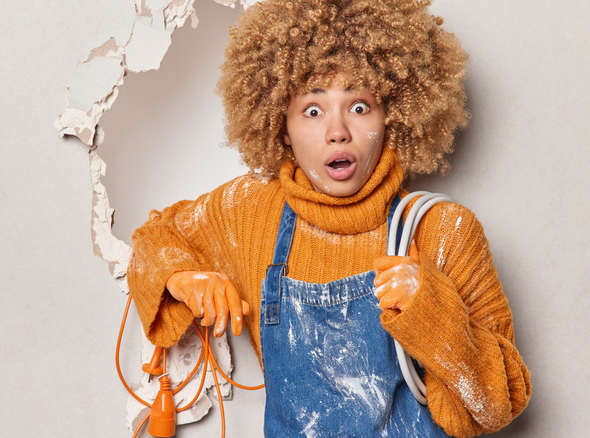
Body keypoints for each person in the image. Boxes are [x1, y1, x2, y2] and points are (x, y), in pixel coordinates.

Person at [127, 0, 531, 436]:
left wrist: (430, 312)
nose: (338, 132)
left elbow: (497, 404)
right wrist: (184, 279)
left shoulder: (443, 229)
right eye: (313, 111)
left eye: (359, 106)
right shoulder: (251, 212)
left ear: (392, 115)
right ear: (281, 125)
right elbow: (154, 238)